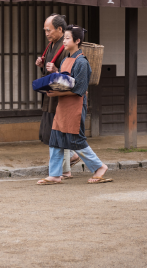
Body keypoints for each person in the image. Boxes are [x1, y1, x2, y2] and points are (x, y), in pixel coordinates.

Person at [37, 25, 112, 185]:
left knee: (77, 140)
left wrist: (56, 93)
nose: (64, 41)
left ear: (77, 41)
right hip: (63, 105)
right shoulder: (65, 59)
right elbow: (65, 81)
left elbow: (79, 89)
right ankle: (55, 174)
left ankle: (100, 167)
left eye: (67, 38)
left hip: (75, 106)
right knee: (55, 139)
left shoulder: (82, 62)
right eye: (64, 38)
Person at [35, 14, 79, 174]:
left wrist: (56, 70)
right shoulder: (52, 44)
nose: (46, 33)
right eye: (45, 30)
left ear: (60, 29)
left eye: (49, 30)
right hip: (52, 94)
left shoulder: (66, 46)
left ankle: (62, 168)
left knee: (56, 132)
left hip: (61, 96)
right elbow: (49, 67)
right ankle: (66, 167)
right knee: (53, 132)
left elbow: (72, 72)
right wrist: (42, 64)